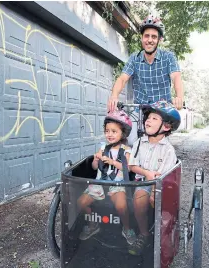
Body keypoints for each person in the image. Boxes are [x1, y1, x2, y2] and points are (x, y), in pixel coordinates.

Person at [107, 14, 184, 144]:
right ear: (142, 38)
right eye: (146, 36)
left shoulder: (168, 57)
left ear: (159, 39)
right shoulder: (134, 58)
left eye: (154, 37)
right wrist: (114, 96)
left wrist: (179, 97)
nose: (150, 40)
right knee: (130, 142)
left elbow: (176, 77)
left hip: (161, 111)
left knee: (160, 146)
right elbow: (122, 79)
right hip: (140, 110)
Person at [127, 100, 181, 255]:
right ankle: (144, 233)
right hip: (143, 181)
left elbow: (166, 176)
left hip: (162, 184)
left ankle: (163, 233)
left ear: (166, 126)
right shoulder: (139, 143)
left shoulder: (168, 150)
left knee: (159, 201)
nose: (148, 120)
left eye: (154, 118)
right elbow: (132, 166)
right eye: (148, 117)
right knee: (139, 200)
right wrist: (147, 174)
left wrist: (153, 190)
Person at [77, 110, 136, 245]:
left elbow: (128, 168)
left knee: (121, 206)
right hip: (100, 184)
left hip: (118, 185)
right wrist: (96, 160)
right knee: (81, 202)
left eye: (114, 131)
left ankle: (127, 228)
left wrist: (113, 162)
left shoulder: (126, 150)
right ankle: (93, 225)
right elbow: (93, 167)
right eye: (107, 131)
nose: (109, 134)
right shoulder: (103, 148)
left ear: (123, 133)